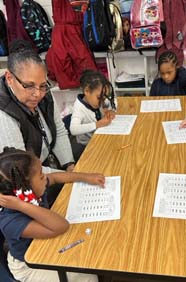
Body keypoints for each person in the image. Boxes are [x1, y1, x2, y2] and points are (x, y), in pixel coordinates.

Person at [0, 147, 105, 282]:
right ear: (23, 189)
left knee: (90, 255)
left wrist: (85, 177)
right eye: (41, 176)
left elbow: (55, 177)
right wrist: (22, 206)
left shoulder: (30, 191)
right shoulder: (10, 221)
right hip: (29, 265)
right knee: (87, 277)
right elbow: (61, 226)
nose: (46, 178)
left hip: (47, 245)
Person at [0, 40, 76, 172]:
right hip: (28, 178)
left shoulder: (44, 93)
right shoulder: (3, 114)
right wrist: (67, 176)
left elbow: (59, 131)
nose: (38, 94)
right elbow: (22, 168)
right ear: (9, 79)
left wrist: (69, 165)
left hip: (48, 165)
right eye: (29, 86)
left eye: (42, 85)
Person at [70, 70, 117, 149]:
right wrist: (97, 124)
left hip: (101, 138)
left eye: (104, 97)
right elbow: (73, 129)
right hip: (86, 146)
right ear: (87, 91)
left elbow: (114, 100)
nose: (102, 100)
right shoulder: (79, 108)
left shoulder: (97, 98)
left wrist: (110, 109)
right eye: (99, 97)